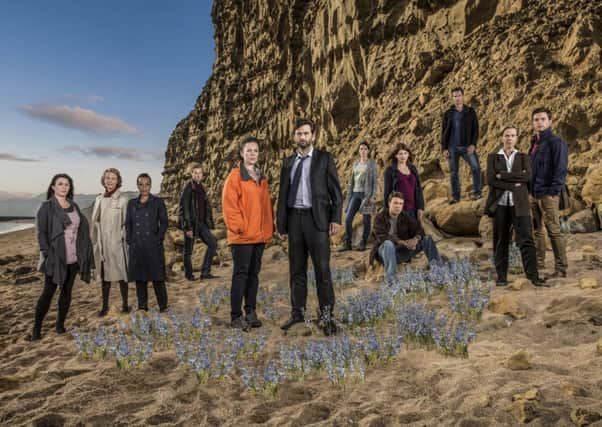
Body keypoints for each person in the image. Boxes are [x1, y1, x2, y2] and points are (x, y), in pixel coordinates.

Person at [276, 118, 343, 336]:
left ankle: (327, 317)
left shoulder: (324, 159)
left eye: (306, 133)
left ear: (313, 136)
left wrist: (336, 219)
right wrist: (281, 222)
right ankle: (297, 314)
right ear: (294, 136)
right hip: (294, 220)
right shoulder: (287, 163)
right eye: (299, 134)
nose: (302, 137)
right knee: (296, 270)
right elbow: (282, 194)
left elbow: (336, 193)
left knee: (322, 270)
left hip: (318, 221)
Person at [31, 174, 94, 341]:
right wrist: (46, 253)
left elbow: (81, 229)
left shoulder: (73, 205)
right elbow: (41, 232)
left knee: (66, 291)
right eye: (60, 184)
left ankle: (60, 325)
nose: (64, 187)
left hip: (73, 257)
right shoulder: (46, 207)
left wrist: (84, 250)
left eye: (67, 184)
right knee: (48, 292)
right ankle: (36, 329)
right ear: (53, 187)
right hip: (55, 256)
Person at [222, 137, 274, 331]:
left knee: (254, 276)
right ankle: (236, 316)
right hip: (243, 237)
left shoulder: (261, 178)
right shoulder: (235, 176)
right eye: (249, 150)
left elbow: (266, 207)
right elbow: (229, 206)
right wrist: (240, 228)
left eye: (255, 151)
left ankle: (250, 312)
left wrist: (268, 229)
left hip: (259, 236)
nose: (252, 154)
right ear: (242, 153)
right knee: (241, 275)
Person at [485, 127, 546, 287]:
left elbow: (528, 176)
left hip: (520, 203)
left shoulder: (523, 156)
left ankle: (534, 277)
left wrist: (504, 176)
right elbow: (491, 180)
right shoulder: (493, 157)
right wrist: (514, 184)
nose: (509, 138)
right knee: (500, 241)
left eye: (512, 135)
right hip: (500, 204)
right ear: (501, 138)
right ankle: (501, 278)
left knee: (527, 240)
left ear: (517, 138)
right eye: (506, 135)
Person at [528, 107, 569, 279]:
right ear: (533, 123)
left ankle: (561, 268)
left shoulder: (556, 142)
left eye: (543, 119)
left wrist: (554, 192)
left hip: (548, 194)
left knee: (553, 230)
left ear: (550, 121)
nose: (539, 122)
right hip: (533, 193)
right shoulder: (534, 143)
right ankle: (539, 262)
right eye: (536, 119)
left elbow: (561, 169)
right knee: (537, 230)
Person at [370, 192, 440, 286]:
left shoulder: (405, 216)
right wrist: (401, 242)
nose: (398, 206)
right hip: (385, 252)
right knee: (388, 243)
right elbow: (381, 236)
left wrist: (415, 239)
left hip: (401, 252)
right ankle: (391, 282)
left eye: (400, 204)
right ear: (389, 203)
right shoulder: (380, 217)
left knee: (427, 239)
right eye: (395, 203)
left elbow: (419, 230)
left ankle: (439, 272)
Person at [126, 173, 169, 312]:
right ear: (137, 185)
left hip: (153, 244)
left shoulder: (157, 202)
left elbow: (164, 222)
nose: (144, 187)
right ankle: (142, 306)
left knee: (158, 277)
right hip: (137, 245)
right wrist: (130, 240)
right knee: (140, 278)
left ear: (150, 185)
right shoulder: (132, 203)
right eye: (141, 184)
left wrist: (158, 238)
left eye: (147, 184)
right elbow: (128, 223)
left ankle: (163, 306)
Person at [91, 168, 130, 316]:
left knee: (122, 275)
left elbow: (126, 223)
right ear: (104, 180)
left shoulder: (123, 199)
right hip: (102, 243)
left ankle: (125, 304)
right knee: (104, 276)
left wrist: (122, 240)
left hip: (117, 243)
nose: (110, 181)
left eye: (113, 178)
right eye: (107, 178)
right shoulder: (99, 199)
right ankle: (104, 306)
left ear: (118, 181)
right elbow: (96, 222)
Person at [441, 87, 482, 203]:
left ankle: (477, 192)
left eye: (459, 95)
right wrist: (444, 148)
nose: (457, 98)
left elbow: (476, 130)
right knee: (454, 173)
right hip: (452, 148)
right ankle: (456, 197)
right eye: (455, 96)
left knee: (476, 168)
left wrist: (473, 145)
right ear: (452, 98)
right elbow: (444, 131)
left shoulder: (470, 112)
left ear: (463, 96)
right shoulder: (448, 114)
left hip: (467, 146)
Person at [179, 163, 218, 281]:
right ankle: (189, 275)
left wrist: (209, 222)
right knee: (188, 251)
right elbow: (184, 209)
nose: (197, 175)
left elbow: (205, 207)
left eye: (199, 173)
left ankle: (205, 272)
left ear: (202, 175)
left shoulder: (201, 187)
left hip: (201, 224)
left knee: (213, 244)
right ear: (191, 174)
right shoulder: (188, 188)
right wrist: (187, 228)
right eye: (195, 173)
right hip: (191, 225)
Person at [340, 141, 378, 252]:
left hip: (366, 195)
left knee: (366, 220)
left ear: (368, 151)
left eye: (365, 148)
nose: (363, 151)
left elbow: (375, 182)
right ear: (359, 151)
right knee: (348, 219)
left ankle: (363, 242)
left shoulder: (372, 164)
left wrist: (373, 196)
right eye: (361, 148)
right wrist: (349, 195)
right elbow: (351, 182)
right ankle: (348, 243)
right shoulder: (355, 164)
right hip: (355, 194)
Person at [383, 143, 425, 223]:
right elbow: (387, 192)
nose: (403, 156)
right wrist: (386, 211)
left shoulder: (412, 168)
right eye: (400, 154)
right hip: (398, 211)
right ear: (396, 155)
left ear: (408, 154)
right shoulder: (390, 170)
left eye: (405, 153)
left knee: (416, 233)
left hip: (413, 209)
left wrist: (420, 207)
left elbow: (418, 189)